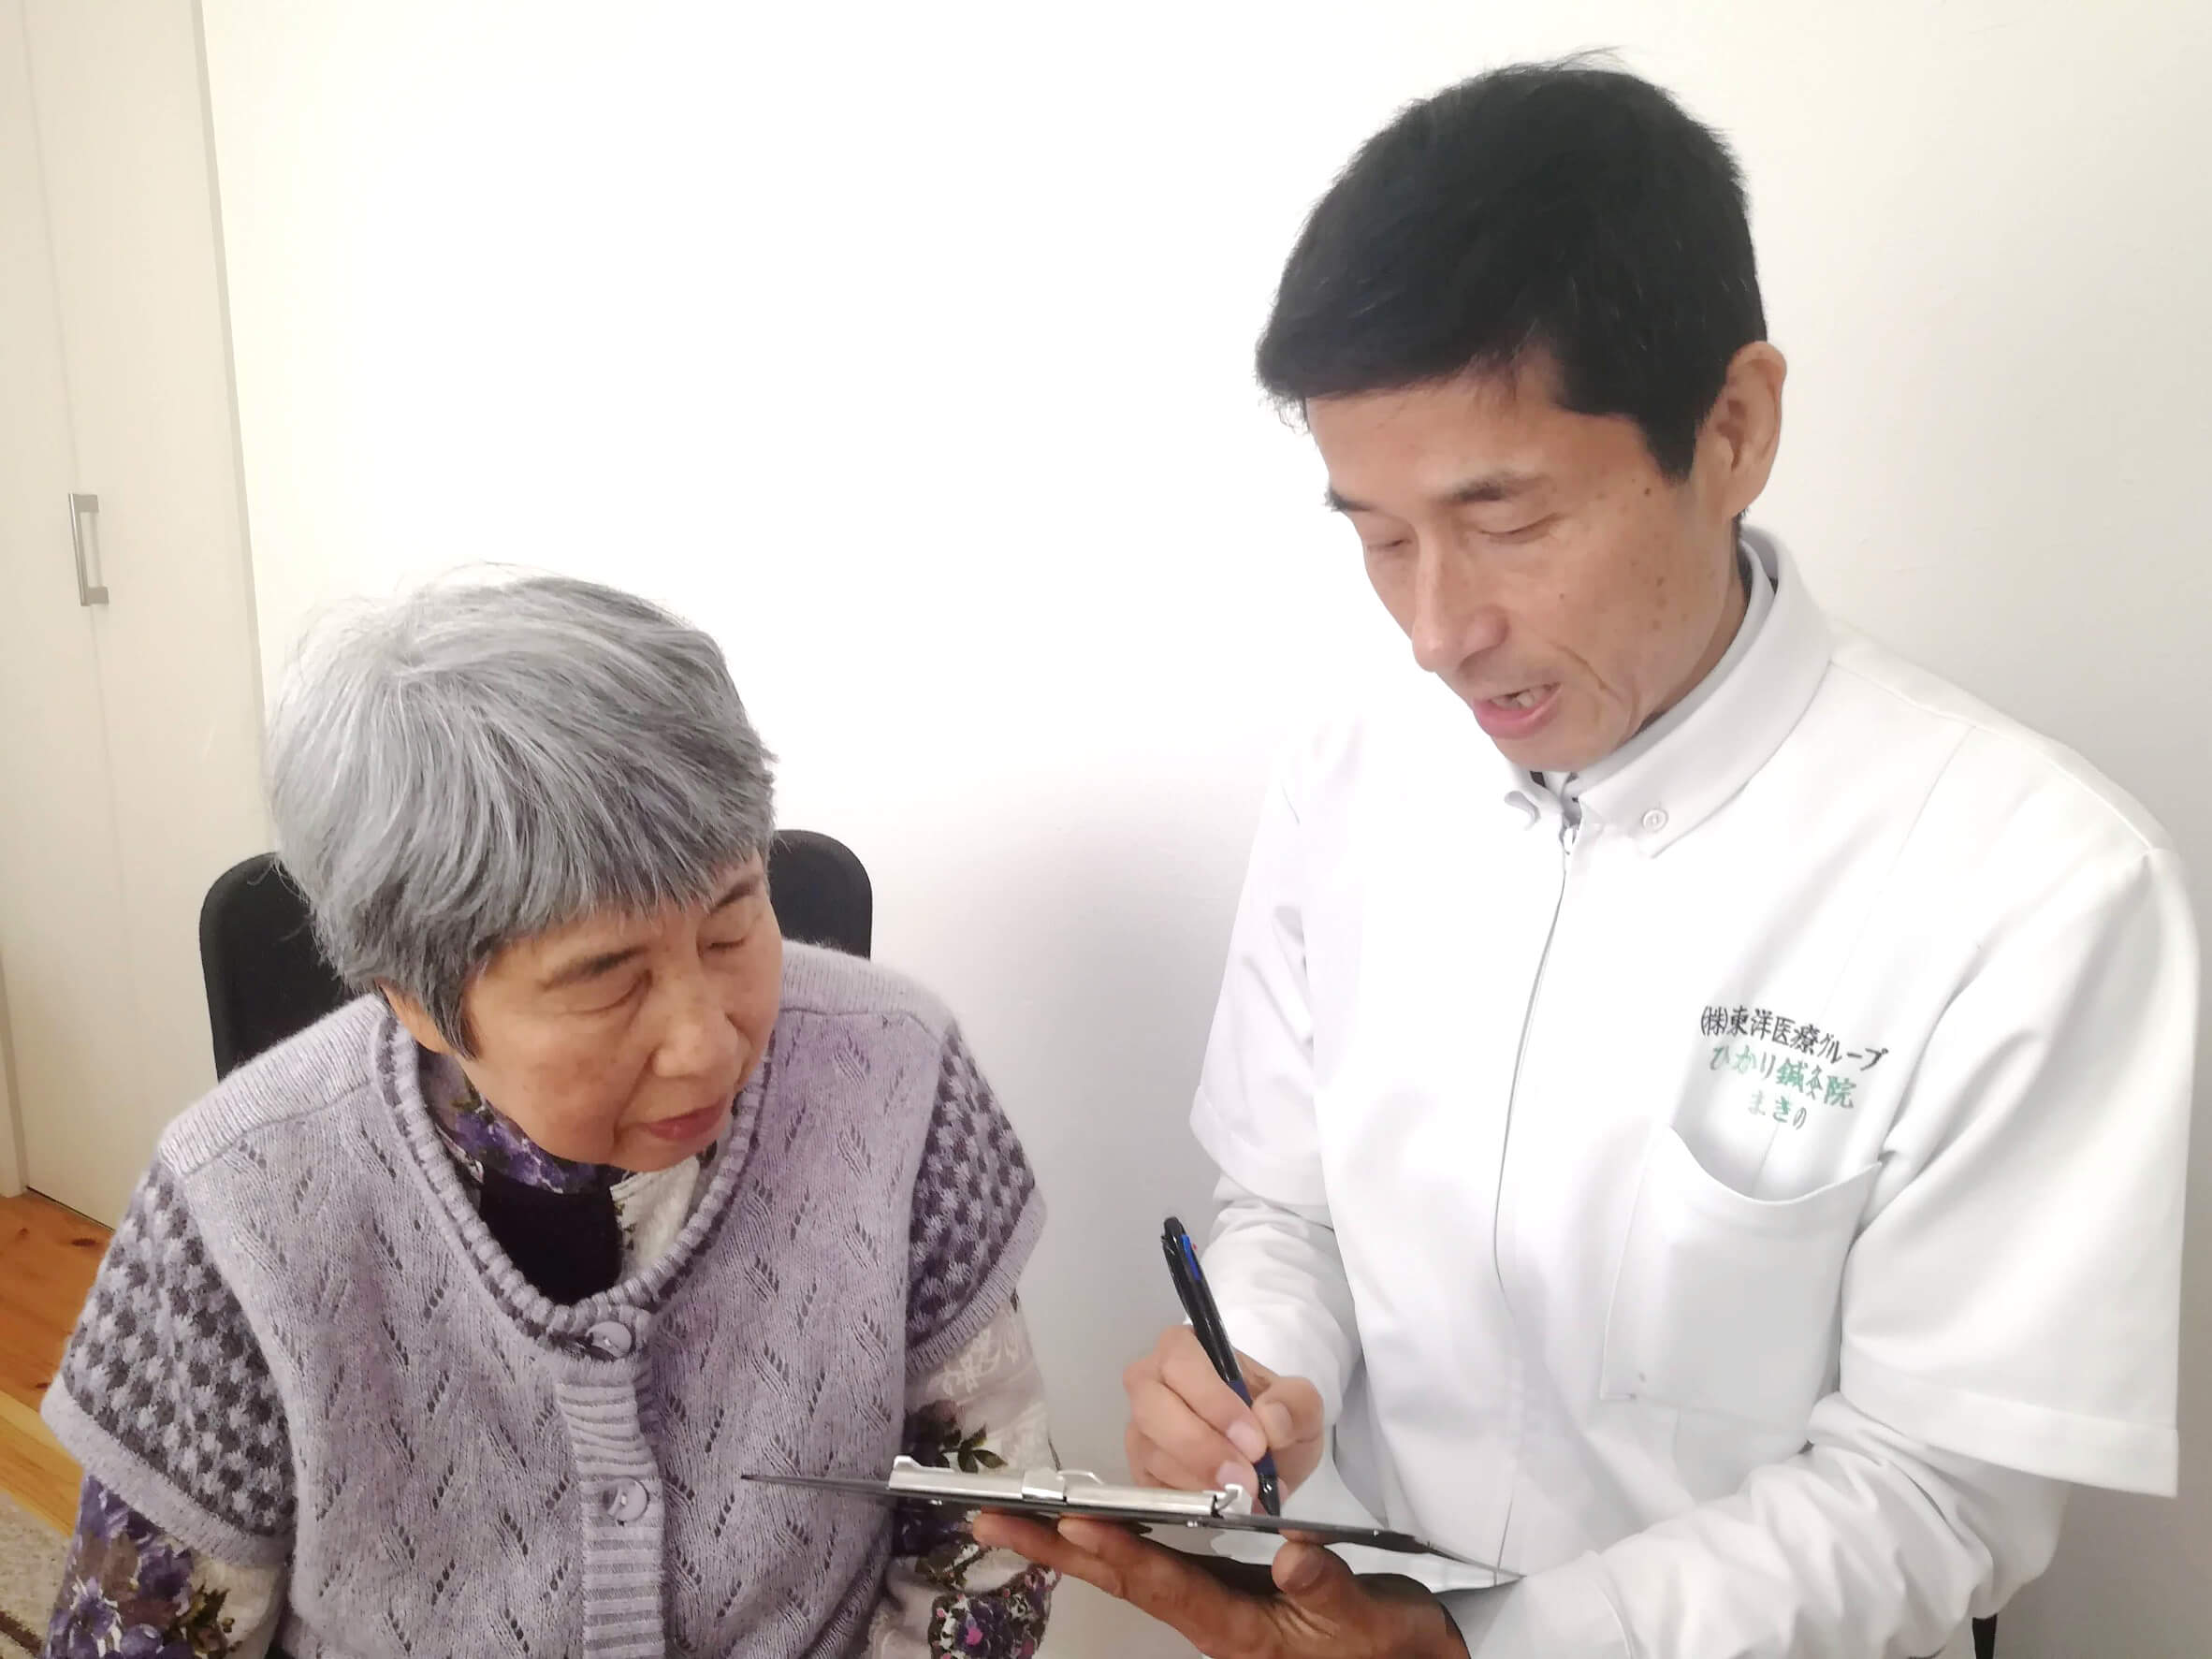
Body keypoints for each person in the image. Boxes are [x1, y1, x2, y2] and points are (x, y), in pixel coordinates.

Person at [976, 60, 2198, 1659]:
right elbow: (1291, 1208)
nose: (1435, 629)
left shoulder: (2032, 886)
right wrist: (1253, 1376)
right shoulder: (1353, 773)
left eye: (1505, 520)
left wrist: (1499, 1642)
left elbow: (1930, 1497)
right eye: (1378, 536)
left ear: (1733, 428)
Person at [41, 576, 1056, 1659]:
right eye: (608, 978)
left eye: (731, 927)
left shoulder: (900, 1074)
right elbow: (147, 1630)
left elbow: (986, 1535)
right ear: (413, 995)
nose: (708, 1043)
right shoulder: (234, 1200)